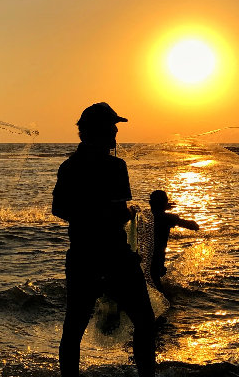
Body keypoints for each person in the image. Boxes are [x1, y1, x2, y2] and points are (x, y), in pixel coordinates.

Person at [52, 103, 156, 377]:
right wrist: (128, 212)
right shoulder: (116, 167)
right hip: (114, 257)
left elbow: (59, 209)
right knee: (145, 322)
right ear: (99, 130)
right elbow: (117, 213)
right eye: (112, 127)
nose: (115, 133)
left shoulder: (69, 166)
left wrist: (86, 212)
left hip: (82, 256)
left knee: (73, 330)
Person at [148, 190, 199, 292]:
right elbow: (192, 225)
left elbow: (156, 212)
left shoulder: (145, 216)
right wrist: (194, 225)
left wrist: (164, 207)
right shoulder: (166, 218)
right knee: (158, 287)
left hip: (144, 256)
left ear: (150, 203)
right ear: (164, 203)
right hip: (157, 257)